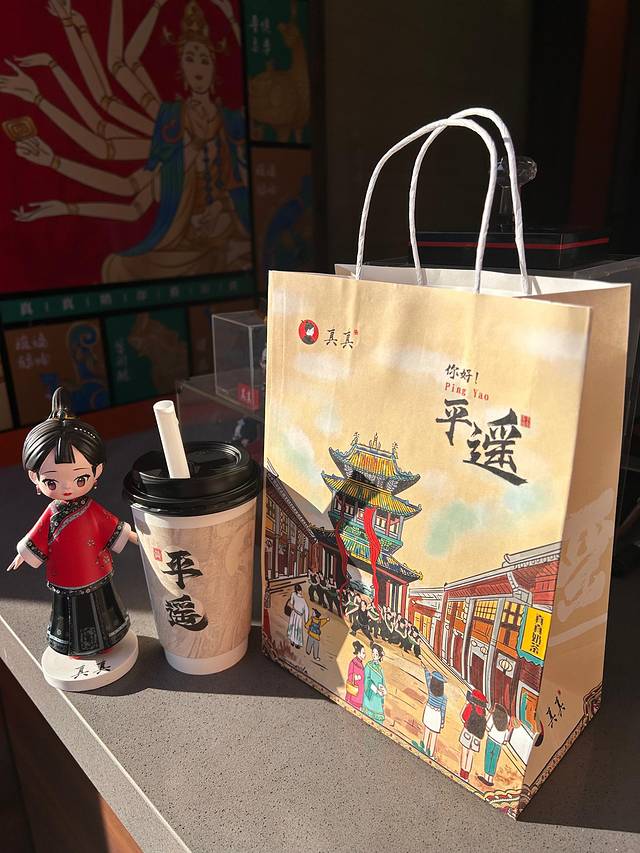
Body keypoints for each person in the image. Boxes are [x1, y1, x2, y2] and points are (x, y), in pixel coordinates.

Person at [6, 388, 137, 657]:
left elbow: (111, 525)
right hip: (65, 573)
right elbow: (37, 535)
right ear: (34, 477)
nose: (67, 488)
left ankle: (108, 639)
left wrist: (135, 536)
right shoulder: (52, 512)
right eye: (52, 481)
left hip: (93, 569)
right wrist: (23, 555)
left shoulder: (92, 510)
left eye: (79, 479)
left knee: (101, 604)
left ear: (96, 471)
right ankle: (72, 645)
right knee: (68, 611)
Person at [478, 703, 517, 786]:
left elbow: (488, 727)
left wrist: (489, 714)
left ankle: (486, 776)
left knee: (488, 756)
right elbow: (506, 736)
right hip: (499, 743)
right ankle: (490, 779)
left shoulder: (495, 714)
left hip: (491, 738)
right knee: (494, 759)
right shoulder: (508, 718)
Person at [417, 670, 448, 759]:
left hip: (429, 710)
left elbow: (427, 677)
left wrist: (426, 669)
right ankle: (430, 754)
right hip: (437, 714)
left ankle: (423, 748)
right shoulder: (444, 697)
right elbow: (443, 710)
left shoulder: (430, 689)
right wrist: (442, 722)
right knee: (434, 735)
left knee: (426, 731)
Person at [459, 688, 488, 781]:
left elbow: (463, 717)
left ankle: (461, 773)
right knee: (470, 755)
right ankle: (466, 776)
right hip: (476, 737)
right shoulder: (483, 713)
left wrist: (465, 704)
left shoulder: (471, 706)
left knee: (464, 752)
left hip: (468, 732)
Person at [362, 644, 387, 723]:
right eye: (373, 653)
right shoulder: (368, 665)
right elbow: (366, 680)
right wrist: (376, 690)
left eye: (376, 654)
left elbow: (383, 682)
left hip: (378, 698)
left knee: (378, 719)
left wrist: (384, 690)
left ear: (379, 656)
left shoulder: (380, 669)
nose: (374, 655)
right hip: (370, 695)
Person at [345, 640, 366, 710]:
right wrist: (355, 677)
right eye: (363, 653)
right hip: (354, 690)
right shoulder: (353, 663)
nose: (364, 655)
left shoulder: (360, 663)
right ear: (358, 653)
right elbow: (349, 675)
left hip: (360, 691)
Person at [286, 583, 308, 649]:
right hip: (297, 615)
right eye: (299, 590)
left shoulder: (294, 594)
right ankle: (294, 641)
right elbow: (306, 610)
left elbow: (291, 602)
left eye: (300, 590)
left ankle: (294, 641)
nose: (300, 591)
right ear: (297, 591)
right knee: (296, 628)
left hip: (295, 614)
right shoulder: (302, 600)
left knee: (295, 627)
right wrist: (306, 621)